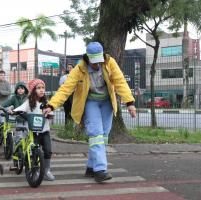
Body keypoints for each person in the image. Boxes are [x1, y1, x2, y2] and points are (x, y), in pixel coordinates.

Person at [43, 42, 137, 183]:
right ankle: (100, 170)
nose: (96, 64)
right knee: (96, 134)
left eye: (98, 61)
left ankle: (91, 167)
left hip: (107, 102)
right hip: (90, 102)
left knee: (103, 137)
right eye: (93, 62)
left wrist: (129, 102)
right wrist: (51, 105)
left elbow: (120, 82)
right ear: (87, 58)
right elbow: (65, 89)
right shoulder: (79, 68)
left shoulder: (109, 62)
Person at [14, 79, 55, 181]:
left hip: (45, 130)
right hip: (33, 131)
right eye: (38, 88)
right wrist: (13, 111)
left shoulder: (46, 102)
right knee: (33, 151)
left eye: (43, 88)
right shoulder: (29, 102)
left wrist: (49, 114)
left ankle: (46, 171)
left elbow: (51, 113)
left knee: (48, 151)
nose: (41, 90)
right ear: (33, 90)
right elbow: (20, 108)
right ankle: (34, 170)